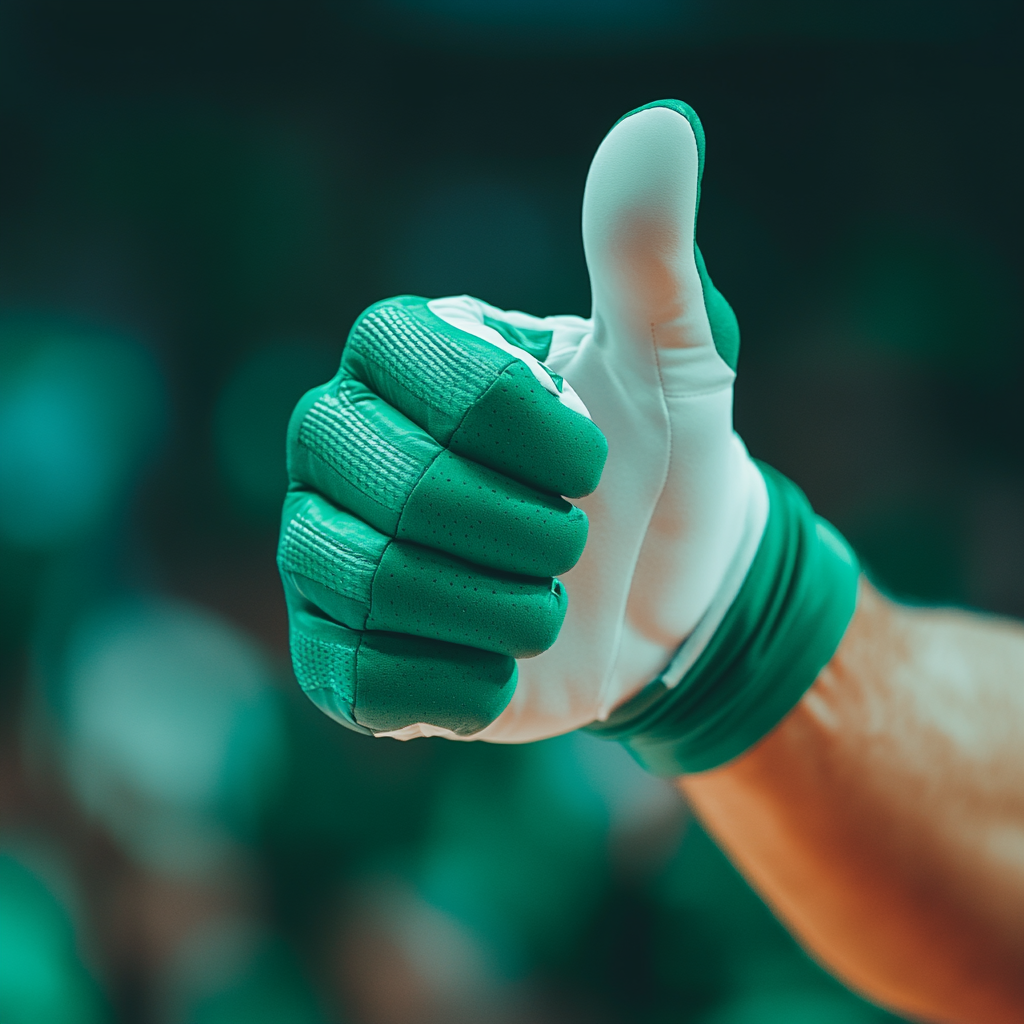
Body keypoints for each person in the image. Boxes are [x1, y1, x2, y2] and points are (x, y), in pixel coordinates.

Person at [276, 100, 1024, 1024]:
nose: (852, 444)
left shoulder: (958, 568)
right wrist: (720, 619)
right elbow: (419, 955)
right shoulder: (590, 601)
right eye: (828, 400)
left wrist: (740, 624)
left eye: (887, 414)